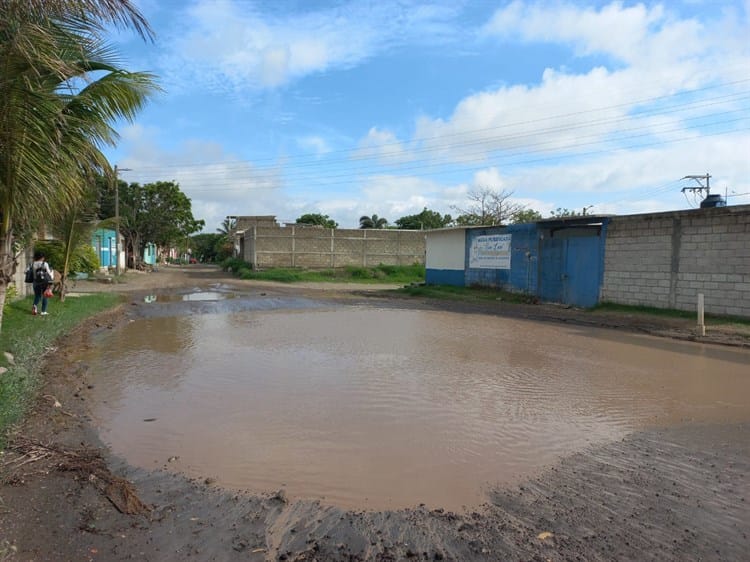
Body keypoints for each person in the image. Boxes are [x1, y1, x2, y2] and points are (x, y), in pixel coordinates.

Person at [31, 251, 53, 316]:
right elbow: (49, 273)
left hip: (35, 282)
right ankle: (43, 311)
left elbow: (27, 272)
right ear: (42, 257)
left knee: (37, 296)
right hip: (44, 282)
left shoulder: (33, 264)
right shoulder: (45, 263)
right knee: (45, 296)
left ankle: (34, 306)